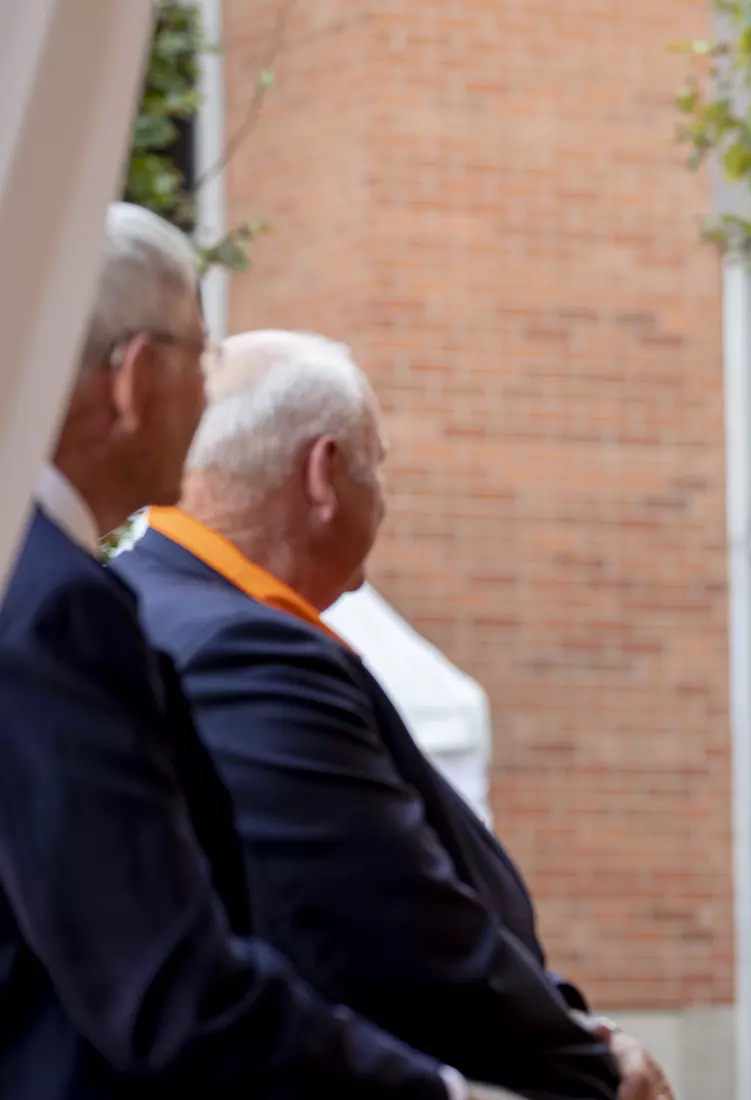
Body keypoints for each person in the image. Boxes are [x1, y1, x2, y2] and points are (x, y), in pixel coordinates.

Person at [0, 202, 523, 1099]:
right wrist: (440, 1093)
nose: (213, 395)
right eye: (201, 355)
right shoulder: (57, 607)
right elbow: (167, 986)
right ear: (134, 379)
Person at [113, 330, 673, 1100]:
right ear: (325, 473)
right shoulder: (239, 646)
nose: (386, 495)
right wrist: (587, 1067)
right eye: (378, 465)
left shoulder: (158, 604)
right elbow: (385, 926)